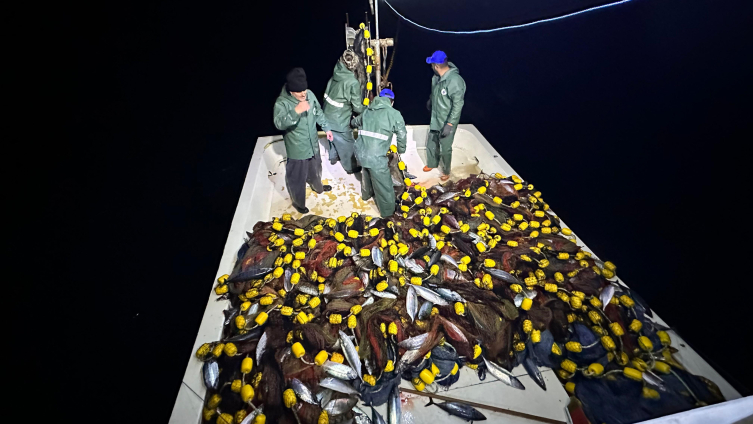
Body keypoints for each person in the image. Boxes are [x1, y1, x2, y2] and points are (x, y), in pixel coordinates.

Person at [273, 67, 334, 214]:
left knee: (316, 168)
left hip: (313, 144)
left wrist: (327, 128)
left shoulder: (310, 95)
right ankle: (298, 202)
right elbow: (279, 123)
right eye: (299, 92)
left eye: (304, 90)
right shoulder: (281, 103)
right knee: (297, 178)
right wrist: (296, 111)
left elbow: (318, 112)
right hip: (297, 149)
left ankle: (317, 186)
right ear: (291, 91)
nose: (303, 94)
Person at [351, 88, 407, 218]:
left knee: (366, 171)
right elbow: (402, 134)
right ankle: (387, 213)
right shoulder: (394, 114)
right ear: (391, 102)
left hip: (360, 153)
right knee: (384, 186)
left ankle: (366, 195)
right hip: (375, 157)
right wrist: (401, 150)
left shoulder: (367, 111)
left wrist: (353, 121)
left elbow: (354, 122)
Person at [424, 50, 466, 181]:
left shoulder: (455, 81)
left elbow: (458, 105)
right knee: (431, 142)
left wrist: (450, 124)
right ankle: (432, 163)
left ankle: (446, 171)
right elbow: (435, 93)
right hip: (435, 118)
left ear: (436, 66)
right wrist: (431, 100)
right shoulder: (436, 78)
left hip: (447, 120)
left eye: (432, 64)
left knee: (445, 148)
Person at [322, 51, 366, 174]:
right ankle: (350, 167)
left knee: (332, 138)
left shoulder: (335, 74)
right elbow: (357, 108)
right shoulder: (352, 83)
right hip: (339, 120)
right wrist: (367, 110)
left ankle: (333, 157)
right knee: (347, 142)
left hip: (326, 115)